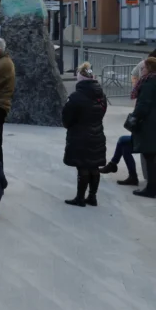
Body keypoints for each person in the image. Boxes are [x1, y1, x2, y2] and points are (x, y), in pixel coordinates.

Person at [60, 62, 107, 207]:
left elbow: (67, 118)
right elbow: (102, 113)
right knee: (94, 166)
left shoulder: (76, 97)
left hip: (80, 135)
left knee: (83, 167)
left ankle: (80, 198)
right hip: (97, 133)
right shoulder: (101, 95)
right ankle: (92, 197)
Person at [130, 56, 156, 198]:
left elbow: (143, 106)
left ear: (150, 68)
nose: (142, 70)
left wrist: (134, 118)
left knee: (149, 156)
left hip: (150, 125)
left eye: (144, 67)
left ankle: (151, 188)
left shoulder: (149, 82)